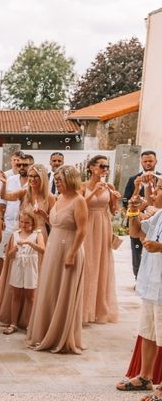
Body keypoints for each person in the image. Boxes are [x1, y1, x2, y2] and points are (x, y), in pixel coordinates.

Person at [26, 166, 88, 354]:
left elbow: (82, 230)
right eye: (57, 180)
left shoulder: (79, 201)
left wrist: (71, 254)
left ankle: (61, 335)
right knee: (51, 288)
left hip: (69, 248)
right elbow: (56, 222)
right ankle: (46, 330)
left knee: (64, 290)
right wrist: (44, 216)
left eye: (60, 180)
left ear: (70, 180)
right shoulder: (60, 198)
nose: (57, 183)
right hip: (54, 247)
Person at [119, 173, 162, 393]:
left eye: (160, 188)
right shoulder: (159, 215)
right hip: (152, 284)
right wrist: (134, 209)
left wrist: (160, 247)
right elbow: (135, 232)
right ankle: (145, 377)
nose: (154, 192)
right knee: (148, 333)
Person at [81, 155, 120, 324]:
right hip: (87, 225)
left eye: (107, 166)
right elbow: (79, 205)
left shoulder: (109, 186)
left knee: (101, 264)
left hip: (103, 225)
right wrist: (95, 190)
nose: (105, 169)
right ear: (91, 167)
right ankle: (83, 309)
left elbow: (113, 210)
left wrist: (115, 201)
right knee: (87, 263)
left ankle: (98, 309)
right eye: (102, 166)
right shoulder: (82, 186)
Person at [0, 212, 44, 334]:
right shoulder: (15, 234)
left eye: (27, 222)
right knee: (16, 295)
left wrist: (29, 243)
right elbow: (8, 255)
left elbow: (43, 250)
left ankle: (30, 324)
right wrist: (13, 250)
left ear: (33, 222)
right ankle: (13, 323)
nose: (24, 224)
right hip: (17, 266)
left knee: (30, 297)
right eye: (22, 222)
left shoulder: (37, 234)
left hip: (31, 267)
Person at [124, 151, 160, 278]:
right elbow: (126, 201)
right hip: (137, 218)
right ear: (141, 162)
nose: (148, 163)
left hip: (157, 220)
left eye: (150, 161)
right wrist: (137, 190)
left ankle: (152, 277)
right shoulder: (134, 179)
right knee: (136, 249)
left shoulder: (161, 178)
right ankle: (137, 276)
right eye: (145, 161)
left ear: (156, 161)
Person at [0, 154, 31, 279]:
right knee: (3, 256)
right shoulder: (10, 180)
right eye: (19, 164)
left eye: (25, 165)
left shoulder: (35, 183)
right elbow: (2, 202)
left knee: (23, 258)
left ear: (31, 165)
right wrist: (0, 218)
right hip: (9, 225)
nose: (22, 167)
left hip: (27, 227)